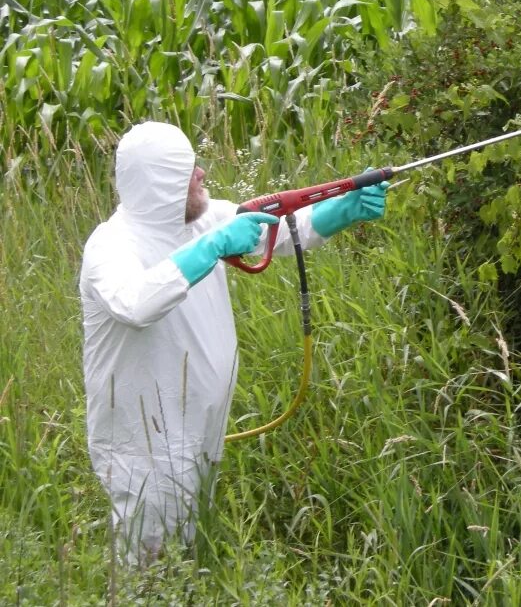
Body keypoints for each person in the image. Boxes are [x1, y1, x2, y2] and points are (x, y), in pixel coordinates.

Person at [79, 120, 387, 565]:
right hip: (143, 443)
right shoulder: (111, 247)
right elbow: (136, 303)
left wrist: (344, 210)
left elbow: (275, 229)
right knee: (147, 565)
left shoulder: (204, 218)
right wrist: (212, 247)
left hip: (199, 426)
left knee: (188, 550)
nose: (202, 172)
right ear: (162, 183)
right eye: (188, 169)